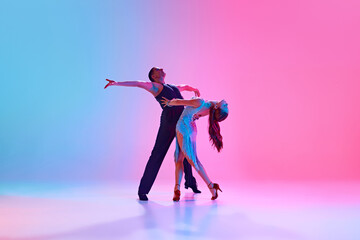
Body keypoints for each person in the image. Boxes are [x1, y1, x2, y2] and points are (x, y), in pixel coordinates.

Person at [104, 67, 201, 201]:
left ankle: (190, 183)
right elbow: (138, 83)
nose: (161, 68)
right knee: (158, 153)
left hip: (181, 121)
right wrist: (116, 83)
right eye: (157, 69)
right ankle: (143, 190)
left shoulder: (171, 86)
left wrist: (193, 89)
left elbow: (183, 86)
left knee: (185, 151)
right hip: (169, 121)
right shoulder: (155, 87)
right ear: (154, 76)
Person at [160, 96, 229, 201]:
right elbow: (196, 114)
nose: (226, 104)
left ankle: (211, 186)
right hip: (190, 128)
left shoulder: (202, 103)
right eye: (226, 106)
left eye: (224, 106)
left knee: (193, 161)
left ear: (217, 107)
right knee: (179, 159)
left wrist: (169, 102)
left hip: (184, 128)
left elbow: (179, 102)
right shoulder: (210, 108)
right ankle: (177, 189)